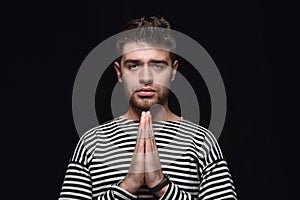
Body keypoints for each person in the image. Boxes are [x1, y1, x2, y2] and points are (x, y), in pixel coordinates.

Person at [59, 16, 237, 200]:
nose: (145, 77)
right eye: (133, 66)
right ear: (119, 72)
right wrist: (127, 186)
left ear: (173, 71)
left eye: (157, 65)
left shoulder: (201, 142)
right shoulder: (92, 143)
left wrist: (161, 185)